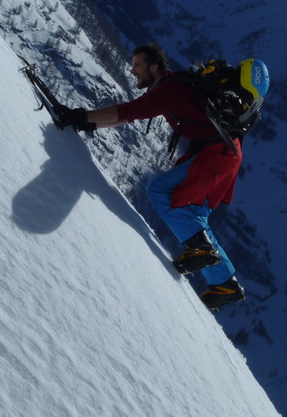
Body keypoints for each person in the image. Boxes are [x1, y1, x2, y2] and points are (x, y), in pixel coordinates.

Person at [56, 43, 268, 310]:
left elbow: (124, 114)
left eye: (138, 64)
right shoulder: (175, 85)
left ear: (154, 66)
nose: (131, 69)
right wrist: (84, 121)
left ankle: (201, 250)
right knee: (195, 214)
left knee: (160, 190)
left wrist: (81, 118)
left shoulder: (167, 91)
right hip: (225, 150)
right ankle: (225, 284)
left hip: (218, 153)